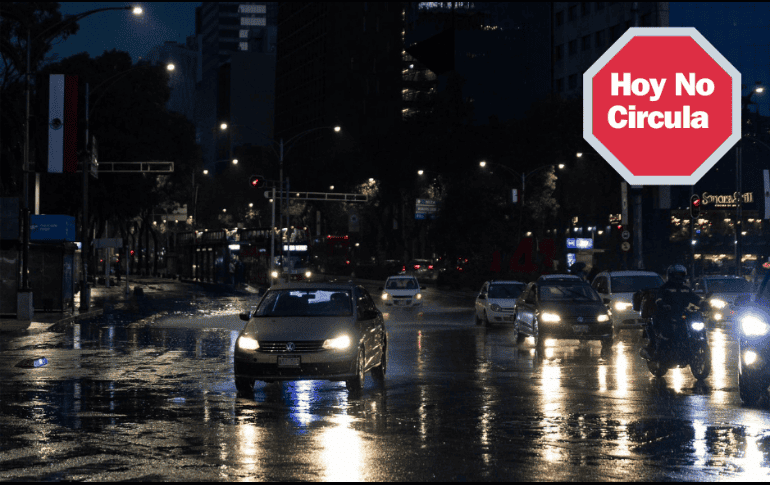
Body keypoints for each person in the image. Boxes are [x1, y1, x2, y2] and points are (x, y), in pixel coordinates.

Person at [643, 264, 702, 360]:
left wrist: (703, 303)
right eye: (677, 274)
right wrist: (663, 305)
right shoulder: (664, 288)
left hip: (681, 313)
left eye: (681, 274)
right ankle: (658, 352)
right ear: (671, 275)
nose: (679, 277)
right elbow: (659, 299)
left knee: (694, 326)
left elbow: (695, 298)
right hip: (666, 314)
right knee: (666, 333)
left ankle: (688, 349)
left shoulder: (685, 289)